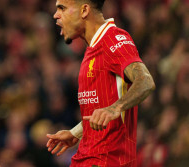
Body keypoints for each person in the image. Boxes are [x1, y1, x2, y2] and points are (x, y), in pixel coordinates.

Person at [46, 0, 155, 166]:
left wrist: (115, 108)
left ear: (84, 10)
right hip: (86, 158)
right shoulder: (93, 49)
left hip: (106, 160)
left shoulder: (113, 39)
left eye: (62, 8)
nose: (56, 15)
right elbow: (103, 108)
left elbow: (145, 81)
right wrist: (76, 133)